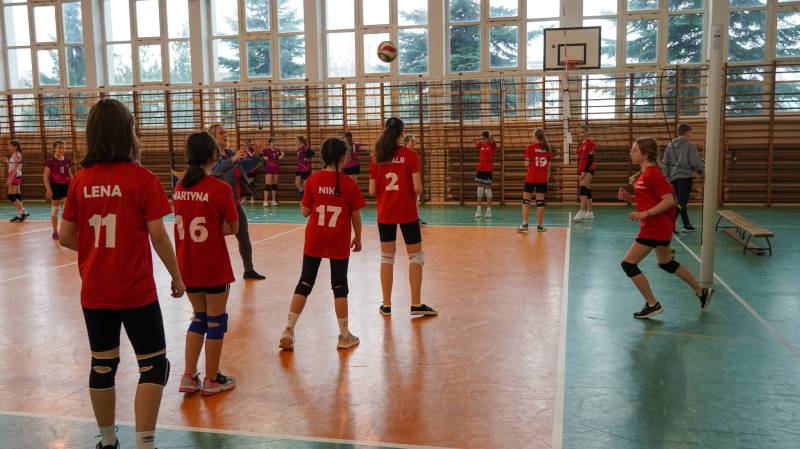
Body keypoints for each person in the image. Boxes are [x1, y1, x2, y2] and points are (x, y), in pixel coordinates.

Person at [58, 98, 185, 449]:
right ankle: (145, 443)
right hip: (135, 290)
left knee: (102, 366)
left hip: (95, 291)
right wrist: (177, 276)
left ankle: (108, 441)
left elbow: (66, 237)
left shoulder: (80, 180)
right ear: (128, 133)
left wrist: (97, 252)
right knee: (153, 366)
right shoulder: (142, 179)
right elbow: (158, 235)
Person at [279, 137, 365, 350]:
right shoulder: (349, 184)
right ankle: (344, 336)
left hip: (315, 238)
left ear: (323, 157)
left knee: (305, 282)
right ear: (344, 158)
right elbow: (356, 217)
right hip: (338, 240)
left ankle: (288, 329)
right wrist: (358, 237)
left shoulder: (313, 180)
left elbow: (304, 212)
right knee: (339, 285)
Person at [617, 137, 713, 319]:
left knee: (628, 264)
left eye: (634, 150)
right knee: (666, 263)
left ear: (646, 154)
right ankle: (702, 291)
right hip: (656, 226)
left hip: (656, 227)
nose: (631, 153)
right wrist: (629, 198)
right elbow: (650, 199)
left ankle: (652, 304)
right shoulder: (644, 174)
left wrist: (644, 214)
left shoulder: (654, 174)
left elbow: (669, 200)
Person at [174, 132, 239, 396]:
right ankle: (212, 379)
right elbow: (234, 227)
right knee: (216, 322)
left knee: (199, 317)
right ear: (214, 155)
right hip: (213, 266)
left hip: (187, 265)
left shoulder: (180, 187)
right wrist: (221, 226)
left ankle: (189, 376)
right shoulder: (220, 189)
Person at [369, 117, 437, 317]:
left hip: (385, 212)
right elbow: (417, 188)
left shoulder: (377, 156)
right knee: (416, 256)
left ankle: (386, 305)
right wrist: (416, 189)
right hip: (407, 212)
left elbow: (372, 190)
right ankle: (416, 304)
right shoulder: (410, 155)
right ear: (402, 133)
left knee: (387, 257)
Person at [209, 124, 266, 280]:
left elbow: (246, 166)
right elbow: (215, 170)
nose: (225, 135)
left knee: (244, 237)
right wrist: (233, 160)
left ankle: (249, 269)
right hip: (215, 205)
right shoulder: (210, 155)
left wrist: (256, 155)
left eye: (226, 132)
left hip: (233, 202)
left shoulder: (230, 153)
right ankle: (211, 270)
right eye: (221, 133)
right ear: (213, 137)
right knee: (213, 239)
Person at [663, 123, 705, 233]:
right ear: (687, 133)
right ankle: (669, 223)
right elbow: (695, 162)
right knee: (681, 201)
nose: (691, 135)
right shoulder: (689, 145)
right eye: (690, 133)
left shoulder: (670, 145)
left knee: (681, 201)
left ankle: (686, 224)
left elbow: (665, 163)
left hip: (673, 178)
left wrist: (667, 177)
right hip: (685, 177)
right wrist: (702, 169)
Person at [519, 128, 551, 233]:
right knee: (540, 203)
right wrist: (546, 180)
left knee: (526, 201)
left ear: (536, 137)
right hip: (542, 179)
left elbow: (526, 164)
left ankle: (525, 224)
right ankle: (540, 226)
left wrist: (528, 161)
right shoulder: (547, 150)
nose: (532, 138)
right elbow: (548, 169)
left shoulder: (530, 148)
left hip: (531, 178)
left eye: (533, 136)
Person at [44, 141, 73, 240]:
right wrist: (48, 189)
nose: (62, 150)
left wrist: (73, 186)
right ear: (54, 149)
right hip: (55, 186)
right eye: (60, 147)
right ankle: (55, 232)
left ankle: (65, 230)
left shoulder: (67, 160)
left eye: (63, 147)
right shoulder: (50, 161)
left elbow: (70, 175)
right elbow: (45, 177)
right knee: (55, 210)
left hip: (66, 186)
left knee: (66, 210)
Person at [574, 124, 597, 221]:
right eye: (580, 132)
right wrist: (579, 171)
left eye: (583, 132)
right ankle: (590, 212)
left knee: (583, 186)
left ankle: (582, 210)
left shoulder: (590, 143)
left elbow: (590, 159)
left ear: (587, 132)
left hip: (589, 168)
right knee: (587, 188)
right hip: (582, 169)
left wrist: (584, 171)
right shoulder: (581, 144)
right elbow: (580, 159)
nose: (581, 134)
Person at [403, 134, 426, 227]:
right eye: (412, 142)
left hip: (412, 180)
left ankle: (415, 217)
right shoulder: (402, 153)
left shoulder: (413, 154)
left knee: (416, 199)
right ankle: (413, 219)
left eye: (414, 142)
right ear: (406, 142)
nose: (414, 144)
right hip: (405, 182)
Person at [475, 131, 496, 219]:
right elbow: (476, 142)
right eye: (482, 138)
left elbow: (493, 140)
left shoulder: (492, 145)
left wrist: (490, 136)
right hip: (480, 169)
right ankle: (478, 210)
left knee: (487, 190)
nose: (482, 140)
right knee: (480, 189)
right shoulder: (481, 144)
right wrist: (479, 138)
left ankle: (489, 210)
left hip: (488, 169)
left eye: (484, 138)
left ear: (488, 138)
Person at [6, 140, 28, 223]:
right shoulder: (15, 154)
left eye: (9, 145)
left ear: (15, 146)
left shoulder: (17, 155)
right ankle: (20, 214)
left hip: (15, 175)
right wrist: (7, 161)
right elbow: (13, 166)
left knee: (10, 195)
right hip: (15, 174)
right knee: (17, 195)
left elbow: (15, 168)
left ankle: (23, 212)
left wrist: (10, 178)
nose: (8, 147)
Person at [262, 138, 283, 206]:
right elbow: (262, 156)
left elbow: (280, 156)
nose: (274, 143)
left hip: (276, 168)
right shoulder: (266, 150)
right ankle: (265, 201)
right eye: (272, 142)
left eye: (275, 142)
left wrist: (282, 155)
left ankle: (273, 200)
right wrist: (264, 157)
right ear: (270, 143)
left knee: (275, 185)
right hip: (269, 168)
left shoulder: (277, 150)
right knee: (268, 185)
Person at [294, 136, 313, 200]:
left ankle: (308, 199)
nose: (295, 142)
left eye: (296, 141)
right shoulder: (299, 148)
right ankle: (304, 198)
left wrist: (307, 157)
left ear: (301, 141)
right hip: (299, 169)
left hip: (305, 169)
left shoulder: (304, 147)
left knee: (306, 185)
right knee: (297, 183)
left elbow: (312, 152)